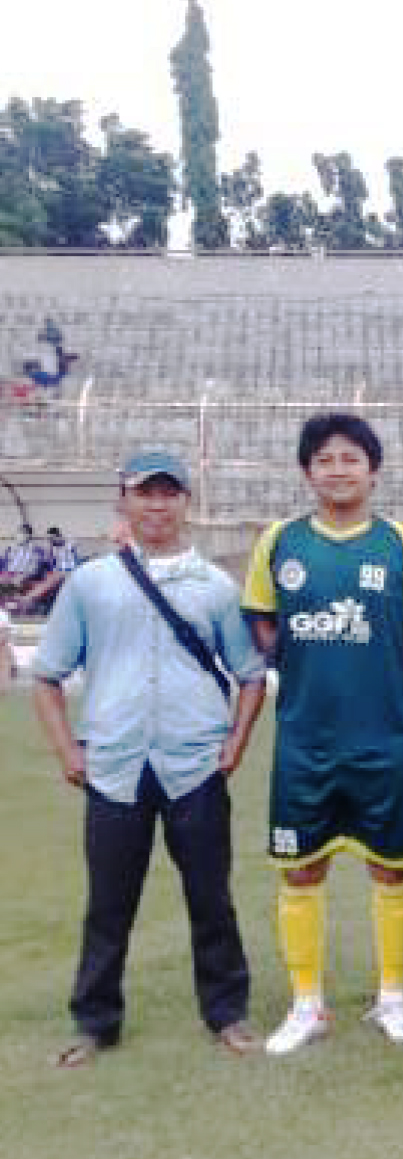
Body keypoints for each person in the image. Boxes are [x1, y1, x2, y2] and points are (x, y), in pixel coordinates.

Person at [32, 449, 268, 1065]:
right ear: (124, 502)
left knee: (210, 898)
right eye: (145, 493)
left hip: (196, 763)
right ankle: (94, 1023)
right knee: (109, 903)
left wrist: (235, 743)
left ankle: (227, 1014)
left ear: (186, 503)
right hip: (115, 767)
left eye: (169, 493)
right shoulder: (90, 584)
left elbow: (250, 673)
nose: (157, 505)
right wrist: (67, 751)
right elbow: (48, 675)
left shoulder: (215, 586)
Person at [243, 413, 403, 1056]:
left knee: (390, 870)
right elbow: (260, 618)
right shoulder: (280, 541)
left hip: (382, 739)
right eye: (325, 459)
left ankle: (392, 995)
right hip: (305, 741)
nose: (338, 469)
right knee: (300, 870)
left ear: (372, 469)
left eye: (351, 458)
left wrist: (396, 673)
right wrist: (295, 661)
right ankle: (307, 1004)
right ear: (307, 471)